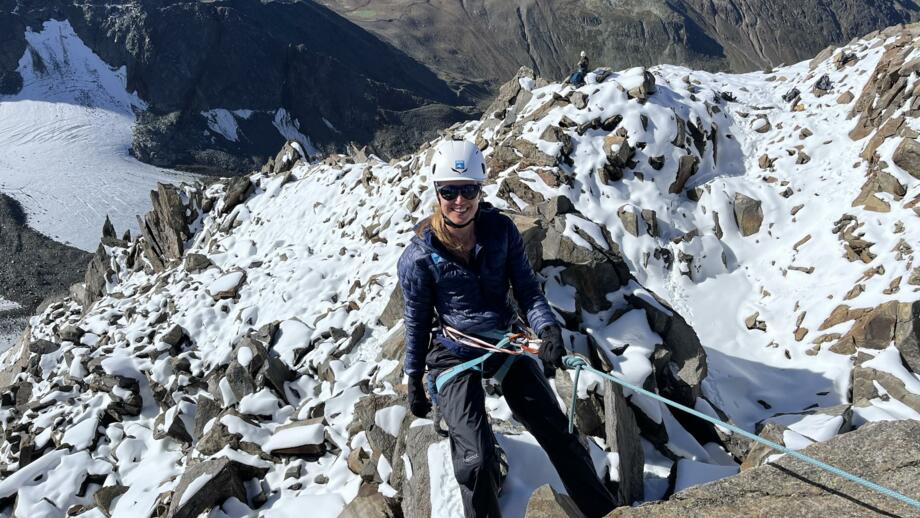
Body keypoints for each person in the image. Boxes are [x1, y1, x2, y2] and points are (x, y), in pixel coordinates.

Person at [397, 140, 617, 518]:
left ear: (481, 189)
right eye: (449, 191)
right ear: (437, 193)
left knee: (559, 437)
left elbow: (528, 289)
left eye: (468, 190)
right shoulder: (419, 256)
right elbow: (416, 322)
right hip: (454, 351)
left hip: (504, 341)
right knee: (476, 460)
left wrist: (547, 330)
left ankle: (606, 513)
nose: (460, 201)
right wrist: (414, 378)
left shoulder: (500, 231)